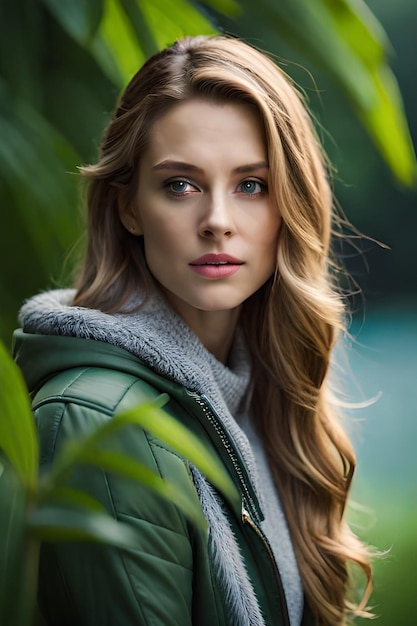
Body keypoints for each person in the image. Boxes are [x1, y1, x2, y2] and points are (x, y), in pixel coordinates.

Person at [13, 35, 373, 626]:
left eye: (251, 185)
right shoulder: (100, 425)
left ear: (291, 205)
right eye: (180, 184)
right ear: (128, 206)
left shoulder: (253, 395)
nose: (218, 223)